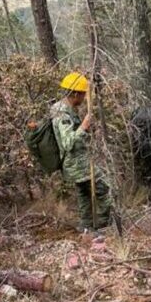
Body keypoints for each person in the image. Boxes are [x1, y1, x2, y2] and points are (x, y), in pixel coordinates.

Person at [51, 72, 113, 232]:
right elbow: (68, 142)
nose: (85, 97)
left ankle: (86, 227)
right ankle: (106, 224)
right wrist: (84, 127)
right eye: (83, 94)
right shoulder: (62, 113)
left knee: (85, 195)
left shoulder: (67, 109)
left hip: (78, 162)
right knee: (104, 189)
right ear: (75, 93)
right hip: (77, 164)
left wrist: (85, 129)